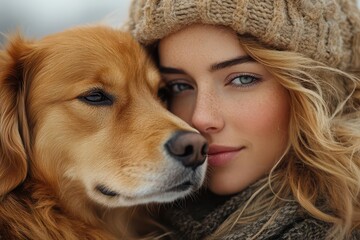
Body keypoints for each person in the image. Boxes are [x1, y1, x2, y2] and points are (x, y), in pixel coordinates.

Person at [127, 0, 360, 239]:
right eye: (179, 86)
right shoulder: (126, 221)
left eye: (242, 80)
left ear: (319, 89)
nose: (200, 119)